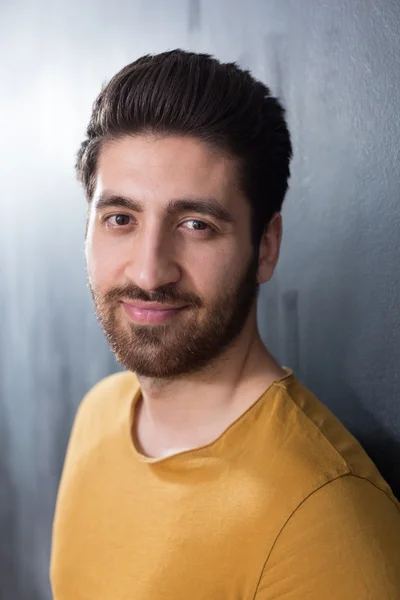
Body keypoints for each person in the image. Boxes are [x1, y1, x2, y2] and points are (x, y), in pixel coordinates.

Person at [50, 49, 400, 599]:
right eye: (121, 218)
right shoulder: (97, 415)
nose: (148, 270)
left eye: (196, 224)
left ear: (265, 247)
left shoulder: (324, 520)